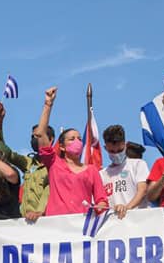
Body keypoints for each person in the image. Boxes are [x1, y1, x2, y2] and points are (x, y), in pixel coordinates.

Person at [32, 86, 108, 216]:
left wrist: (98, 208)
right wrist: (48, 104)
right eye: (72, 139)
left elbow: (102, 200)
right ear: (61, 146)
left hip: (82, 228)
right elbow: (40, 134)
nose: (77, 141)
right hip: (57, 227)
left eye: (79, 138)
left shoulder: (91, 170)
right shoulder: (54, 163)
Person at [99, 124, 149, 218]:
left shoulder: (138, 164)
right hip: (114, 224)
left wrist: (127, 208)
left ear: (125, 145)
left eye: (120, 150)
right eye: (112, 151)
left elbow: (142, 190)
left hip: (139, 221)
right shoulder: (101, 174)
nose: (116, 154)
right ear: (105, 148)